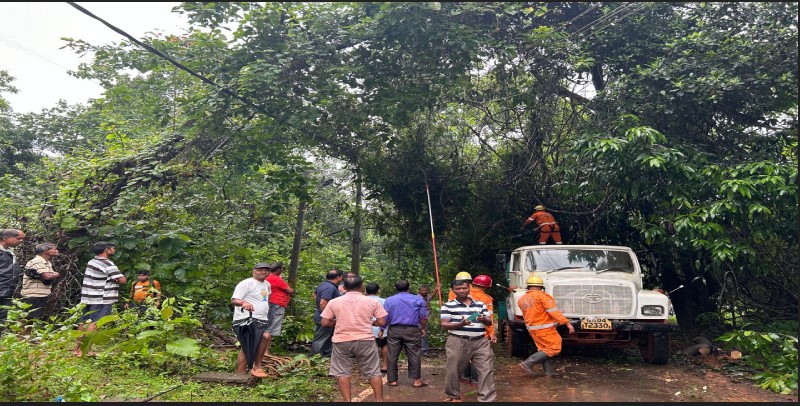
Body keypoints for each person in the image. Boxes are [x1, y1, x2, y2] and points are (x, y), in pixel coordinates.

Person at [320, 275, 387, 402]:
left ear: (344, 287)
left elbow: (325, 322)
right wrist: (372, 323)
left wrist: (337, 321)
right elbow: (381, 321)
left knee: (342, 372)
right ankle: (379, 400)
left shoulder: (334, 302)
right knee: (373, 371)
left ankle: (347, 401)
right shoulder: (372, 302)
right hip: (365, 340)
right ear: (361, 287)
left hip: (341, 341)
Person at [440, 279, 496, 402]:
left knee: (486, 369)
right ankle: (453, 395)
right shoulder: (448, 306)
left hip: (481, 341)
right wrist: (461, 323)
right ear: (453, 290)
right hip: (457, 341)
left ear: (469, 288)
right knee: (453, 369)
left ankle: (486, 399)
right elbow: (444, 324)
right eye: (458, 289)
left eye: (464, 288)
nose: (461, 291)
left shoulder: (480, 304)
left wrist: (483, 319)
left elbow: (489, 321)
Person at [74, 241, 127, 356]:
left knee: (84, 322)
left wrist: (114, 278)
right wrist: (115, 279)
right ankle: (86, 351)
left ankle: (77, 349)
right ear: (106, 250)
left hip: (89, 296)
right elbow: (123, 280)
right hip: (102, 297)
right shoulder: (107, 263)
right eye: (112, 248)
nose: (114, 250)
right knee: (95, 323)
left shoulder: (92, 261)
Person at [517, 275, 575, 378]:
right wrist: (567, 322)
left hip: (533, 329)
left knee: (545, 349)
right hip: (545, 329)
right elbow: (553, 311)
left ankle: (549, 372)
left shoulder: (522, 299)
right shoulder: (543, 296)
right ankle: (527, 363)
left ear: (528, 286)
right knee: (555, 347)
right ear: (541, 286)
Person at [382, 279, 428, 388]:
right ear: (409, 287)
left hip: (394, 330)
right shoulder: (418, 299)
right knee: (414, 354)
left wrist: (382, 328)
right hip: (412, 330)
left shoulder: (389, 300)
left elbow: (385, 317)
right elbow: (423, 317)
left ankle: (392, 380)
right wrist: (423, 328)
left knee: (392, 355)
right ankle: (416, 380)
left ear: (396, 288)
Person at [231, 262, 273, 378]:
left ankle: (256, 366)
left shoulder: (267, 285)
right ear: (253, 271)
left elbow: (265, 299)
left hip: (261, 319)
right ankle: (241, 375)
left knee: (264, 337)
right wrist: (243, 302)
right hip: (245, 319)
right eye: (260, 269)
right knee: (247, 347)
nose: (263, 272)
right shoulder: (246, 283)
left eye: (266, 270)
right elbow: (234, 300)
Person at [459, 274, 496, 385]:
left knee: (464, 353)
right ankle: (475, 380)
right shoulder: (486, 299)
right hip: (478, 330)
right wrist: (492, 333)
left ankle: (465, 377)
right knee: (477, 355)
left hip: (461, 328)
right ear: (486, 287)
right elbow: (489, 317)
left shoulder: (461, 293)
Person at [21, 242, 61, 319]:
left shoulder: (47, 262)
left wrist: (53, 274)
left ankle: (26, 331)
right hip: (33, 295)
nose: (57, 251)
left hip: (40, 294)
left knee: (31, 319)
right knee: (27, 318)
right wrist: (57, 274)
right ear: (46, 251)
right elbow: (47, 276)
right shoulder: (37, 261)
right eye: (54, 249)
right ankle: (22, 331)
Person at [310, 268, 343, 357]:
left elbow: (314, 295)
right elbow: (323, 302)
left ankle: (325, 356)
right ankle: (315, 357)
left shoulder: (323, 285)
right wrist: (327, 316)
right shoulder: (330, 287)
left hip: (321, 315)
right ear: (338, 277)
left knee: (327, 337)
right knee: (321, 338)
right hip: (324, 317)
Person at [265, 262, 294, 354]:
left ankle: (264, 350)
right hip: (276, 304)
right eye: (282, 269)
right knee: (271, 328)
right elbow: (290, 290)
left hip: (269, 304)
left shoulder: (267, 278)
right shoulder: (275, 278)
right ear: (278, 270)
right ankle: (265, 351)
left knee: (268, 326)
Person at [0, 229, 25, 326]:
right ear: (5, 238)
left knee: (3, 314)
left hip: (7, 289)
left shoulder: (9, 251)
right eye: (18, 238)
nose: (21, 241)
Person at [365, 282, 388, 373]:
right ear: (378, 291)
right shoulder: (384, 301)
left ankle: (369, 366)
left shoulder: (362, 300)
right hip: (381, 327)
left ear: (366, 291)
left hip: (366, 327)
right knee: (384, 345)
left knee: (368, 347)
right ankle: (385, 365)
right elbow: (387, 315)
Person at [417, 284, 433, 356]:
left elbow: (431, 297)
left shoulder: (426, 297)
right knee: (422, 332)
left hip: (426, 317)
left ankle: (423, 349)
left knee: (424, 332)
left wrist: (436, 289)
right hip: (421, 318)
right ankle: (423, 350)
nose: (424, 291)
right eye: (422, 290)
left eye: (425, 290)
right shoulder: (417, 298)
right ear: (419, 291)